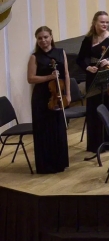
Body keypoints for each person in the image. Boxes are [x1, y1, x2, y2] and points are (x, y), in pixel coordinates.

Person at [76, 10, 109, 157]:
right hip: (93, 76)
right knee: (94, 109)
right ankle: (96, 143)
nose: (105, 24)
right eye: (102, 22)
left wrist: (108, 61)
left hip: (108, 75)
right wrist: (88, 67)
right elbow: (80, 59)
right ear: (95, 23)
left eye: (107, 22)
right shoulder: (88, 39)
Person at [27, 27, 69, 174]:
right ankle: (46, 165)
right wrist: (49, 77)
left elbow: (66, 74)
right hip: (41, 98)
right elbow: (31, 78)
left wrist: (68, 95)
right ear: (37, 40)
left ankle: (59, 163)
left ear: (51, 37)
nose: (43, 40)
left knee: (58, 130)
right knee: (44, 131)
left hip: (58, 96)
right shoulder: (34, 57)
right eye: (40, 38)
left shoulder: (60, 52)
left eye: (45, 37)